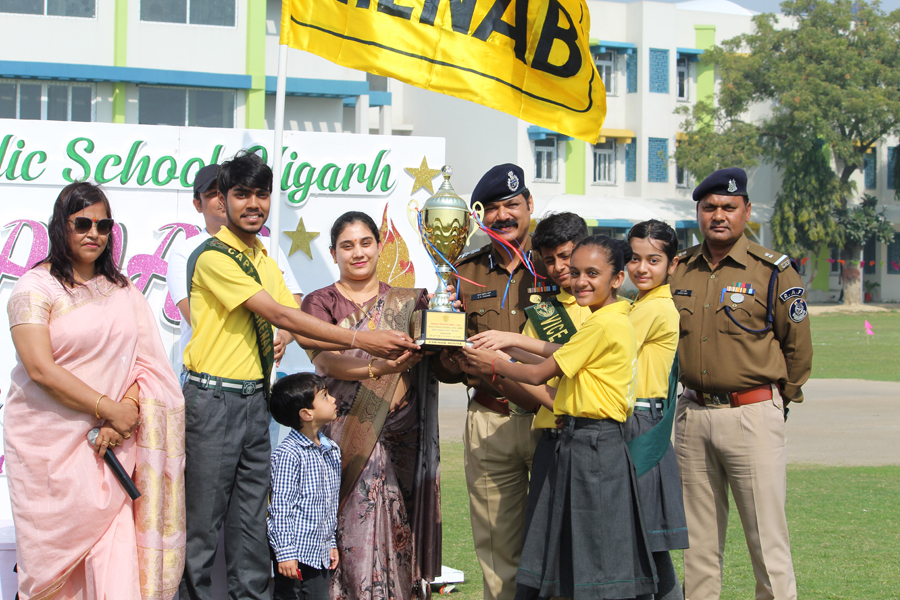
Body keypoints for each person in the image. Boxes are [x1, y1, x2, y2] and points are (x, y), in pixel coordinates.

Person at [179, 153, 418, 600]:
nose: (254, 204)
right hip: (212, 401)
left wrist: (289, 334)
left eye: (262, 194)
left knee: (251, 524)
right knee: (203, 527)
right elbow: (278, 312)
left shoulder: (261, 256)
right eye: (242, 194)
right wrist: (365, 341)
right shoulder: (213, 257)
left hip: (255, 400)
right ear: (222, 201)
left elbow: (291, 315)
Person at [5, 181, 185, 599]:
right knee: (51, 572)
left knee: (115, 560)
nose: (94, 234)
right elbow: (40, 368)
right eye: (82, 223)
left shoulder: (123, 291)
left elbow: (148, 366)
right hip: (48, 452)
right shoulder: (35, 288)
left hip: (111, 447)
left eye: (104, 226)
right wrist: (108, 407)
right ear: (60, 226)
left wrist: (125, 411)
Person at [462, 235, 656, 600]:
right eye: (577, 272)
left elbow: (539, 374)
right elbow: (560, 354)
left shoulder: (602, 324)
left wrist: (494, 365)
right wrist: (510, 342)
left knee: (594, 554)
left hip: (594, 445)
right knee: (583, 549)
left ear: (617, 278)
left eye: (593, 273)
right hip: (589, 441)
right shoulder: (612, 317)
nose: (581, 281)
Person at [671, 168, 813, 600]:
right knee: (697, 543)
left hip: (751, 414)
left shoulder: (773, 270)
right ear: (698, 212)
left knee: (766, 538)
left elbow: (797, 347)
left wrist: (777, 402)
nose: (719, 215)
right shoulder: (680, 269)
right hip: (692, 414)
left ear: (746, 211)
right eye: (709, 207)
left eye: (729, 207)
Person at [300, 211, 440, 600]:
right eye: (347, 246)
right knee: (350, 529)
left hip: (401, 433)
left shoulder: (407, 301)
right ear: (333, 253)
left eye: (365, 243)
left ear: (380, 246)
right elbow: (326, 362)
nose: (358, 253)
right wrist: (379, 368)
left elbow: (430, 357)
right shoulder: (320, 302)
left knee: (399, 526)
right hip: (347, 430)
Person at [433, 164, 555, 600]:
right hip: (489, 418)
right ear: (480, 217)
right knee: (497, 549)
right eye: (493, 209)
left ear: (529, 205)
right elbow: (446, 368)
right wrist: (447, 353)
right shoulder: (465, 271)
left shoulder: (557, 263)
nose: (503, 216)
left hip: (551, 418)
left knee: (557, 542)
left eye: (512, 205)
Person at [466, 211, 592, 600]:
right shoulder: (544, 309)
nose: (559, 268)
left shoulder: (607, 309)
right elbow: (535, 372)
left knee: (569, 550)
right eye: (550, 260)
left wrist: (498, 362)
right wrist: (484, 358)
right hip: (537, 425)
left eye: (566, 257)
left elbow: (549, 374)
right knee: (511, 550)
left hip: (583, 436)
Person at [166, 164, 303, 380]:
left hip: (260, 378)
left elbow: (293, 307)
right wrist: (353, 339)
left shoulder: (268, 247)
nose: (251, 202)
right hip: (212, 381)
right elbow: (194, 316)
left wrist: (284, 335)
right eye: (213, 193)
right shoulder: (192, 252)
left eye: (257, 194)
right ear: (199, 204)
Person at [624, 220, 688, 600]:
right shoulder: (640, 304)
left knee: (641, 541)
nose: (642, 268)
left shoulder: (654, 308)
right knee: (647, 543)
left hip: (641, 423)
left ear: (672, 264)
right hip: (641, 419)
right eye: (634, 258)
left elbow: (600, 352)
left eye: (653, 260)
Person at [267, 373, 341, 600]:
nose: (333, 399)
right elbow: (280, 508)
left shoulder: (332, 450)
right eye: (325, 396)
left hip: (319, 554)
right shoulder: (288, 455)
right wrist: (285, 553)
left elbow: (329, 505)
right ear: (306, 413)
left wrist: (331, 543)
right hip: (296, 555)